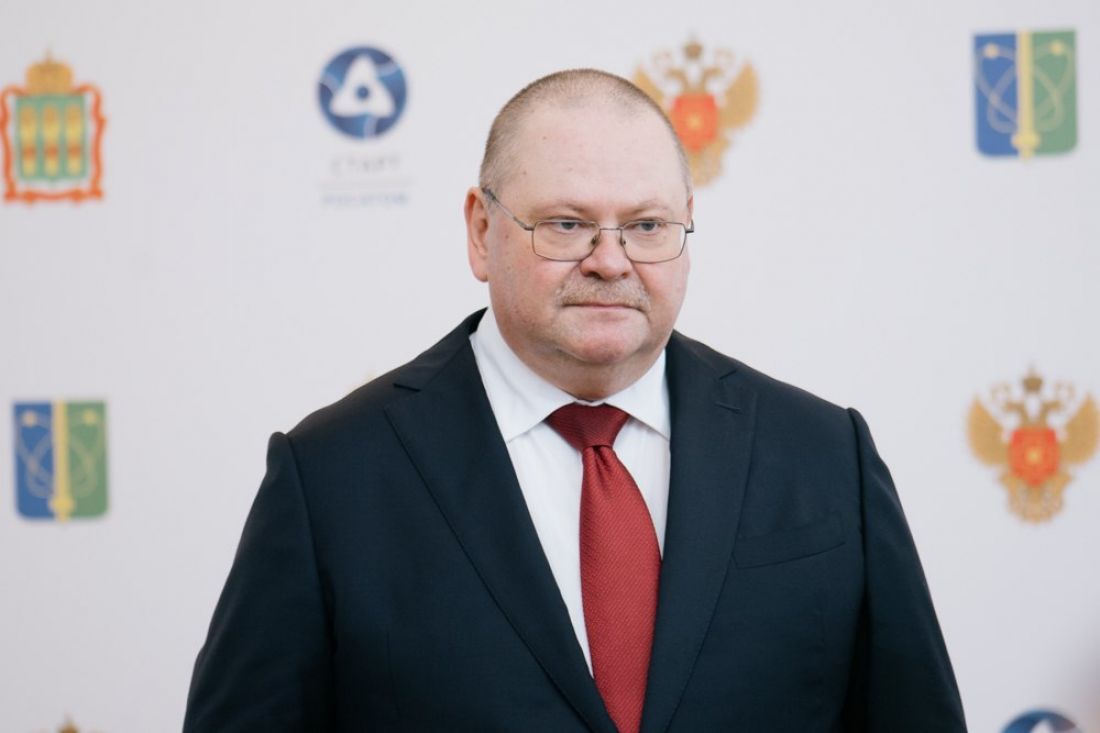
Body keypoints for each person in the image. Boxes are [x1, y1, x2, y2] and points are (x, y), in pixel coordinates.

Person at [184, 69, 966, 732]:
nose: (610, 261)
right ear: (480, 230)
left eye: (647, 225)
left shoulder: (825, 454)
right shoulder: (330, 478)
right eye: (566, 224)